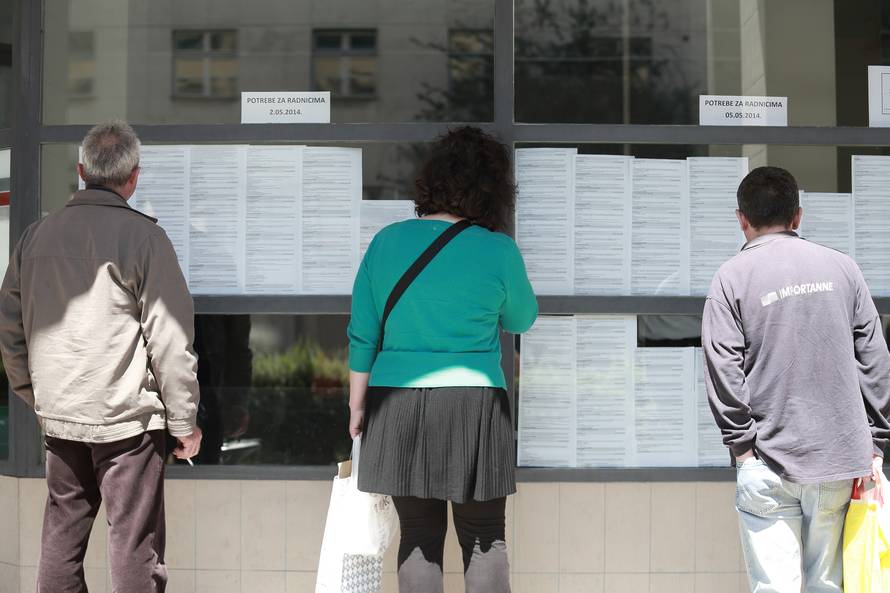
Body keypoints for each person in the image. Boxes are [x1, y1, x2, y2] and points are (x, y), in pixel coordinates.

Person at [0, 120, 202, 593]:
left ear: (81, 172)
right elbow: (170, 340)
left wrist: (36, 395)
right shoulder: (145, 239)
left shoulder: (35, 236)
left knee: (62, 537)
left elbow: (10, 330)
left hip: (61, 417)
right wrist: (184, 422)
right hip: (126, 423)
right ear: (133, 177)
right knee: (133, 546)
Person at [347, 126, 537, 593]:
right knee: (484, 538)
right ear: (492, 189)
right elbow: (521, 319)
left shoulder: (387, 242)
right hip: (474, 404)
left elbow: (363, 334)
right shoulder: (497, 249)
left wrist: (357, 406)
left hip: (394, 403)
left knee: (417, 537)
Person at [702, 166, 890, 593]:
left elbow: (722, 366)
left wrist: (743, 449)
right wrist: (876, 443)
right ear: (797, 216)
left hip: (766, 461)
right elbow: (875, 361)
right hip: (838, 461)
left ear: (742, 219)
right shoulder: (843, 269)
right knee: (827, 585)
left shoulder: (731, 279)